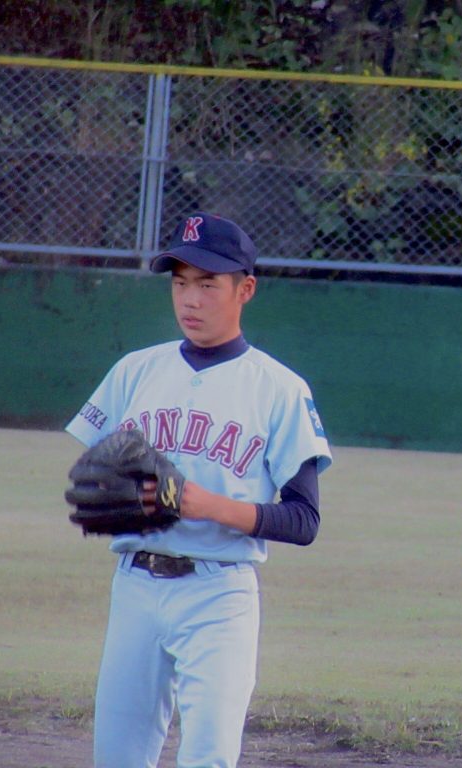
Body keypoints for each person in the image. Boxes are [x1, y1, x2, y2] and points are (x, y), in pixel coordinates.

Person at [65, 212, 332, 768]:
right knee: (116, 757)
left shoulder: (279, 389)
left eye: (208, 284)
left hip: (219, 595)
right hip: (135, 586)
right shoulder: (135, 371)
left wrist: (202, 504)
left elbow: (303, 520)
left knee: (208, 757)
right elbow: (95, 472)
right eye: (180, 281)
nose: (190, 298)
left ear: (246, 289)